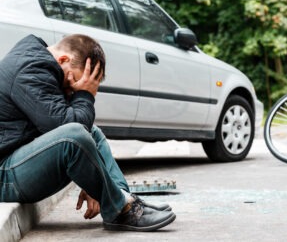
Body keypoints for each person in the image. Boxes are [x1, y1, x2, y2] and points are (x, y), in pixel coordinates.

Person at [0, 34, 176, 232]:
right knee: (74, 135)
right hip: (3, 175)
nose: (70, 91)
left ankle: (123, 201)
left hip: (12, 162)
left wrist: (95, 181)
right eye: (72, 84)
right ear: (63, 60)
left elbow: (77, 130)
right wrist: (85, 95)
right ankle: (120, 208)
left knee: (92, 133)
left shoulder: (40, 64)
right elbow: (68, 128)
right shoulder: (31, 72)